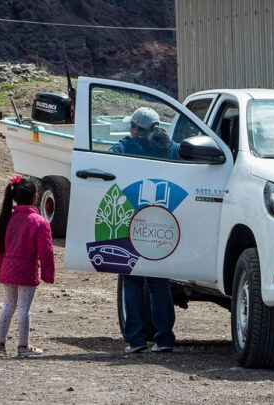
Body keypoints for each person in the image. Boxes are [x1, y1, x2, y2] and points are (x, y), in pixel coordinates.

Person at [109, 107, 177, 353]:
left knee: (133, 280)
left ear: (136, 128)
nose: (130, 130)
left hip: (134, 217)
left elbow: (106, 159)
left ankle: (137, 340)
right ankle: (165, 338)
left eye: (132, 127)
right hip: (163, 218)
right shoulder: (171, 148)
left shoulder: (128, 145)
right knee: (160, 282)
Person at [0, 175, 55, 357]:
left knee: (7, 306)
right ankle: (23, 346)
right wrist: (48, 273)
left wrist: (0, 270)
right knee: (24, 309)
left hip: (7, 270)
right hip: (26, 272)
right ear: (35, 197)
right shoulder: (39, 222)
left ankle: (0, 344)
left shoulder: (6, 219)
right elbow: (46, 251)